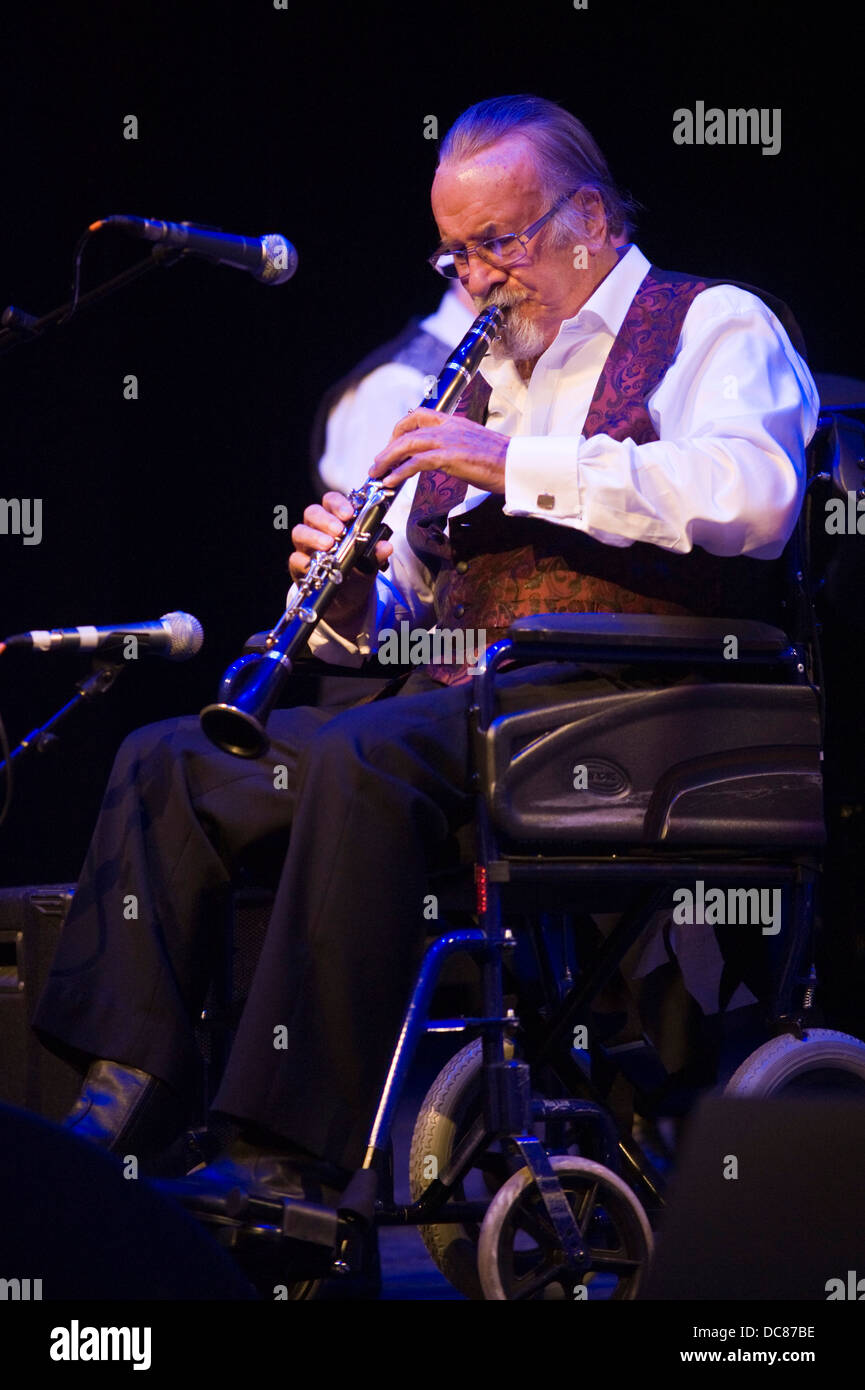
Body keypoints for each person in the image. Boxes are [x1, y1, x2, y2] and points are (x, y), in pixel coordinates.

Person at [33, 94, 819, 1203]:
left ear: (587, 218)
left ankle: (286, 1161)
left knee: (368, 758)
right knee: (174, 762)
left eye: (496, 242)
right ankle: (125, 1114)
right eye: (455, 253)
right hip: (475, 712)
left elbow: (753, 497)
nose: (477, 278)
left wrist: (516, 460)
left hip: (643, 703)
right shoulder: (490, 378)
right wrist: (353, 584)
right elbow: (416, 618)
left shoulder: (711, 324)